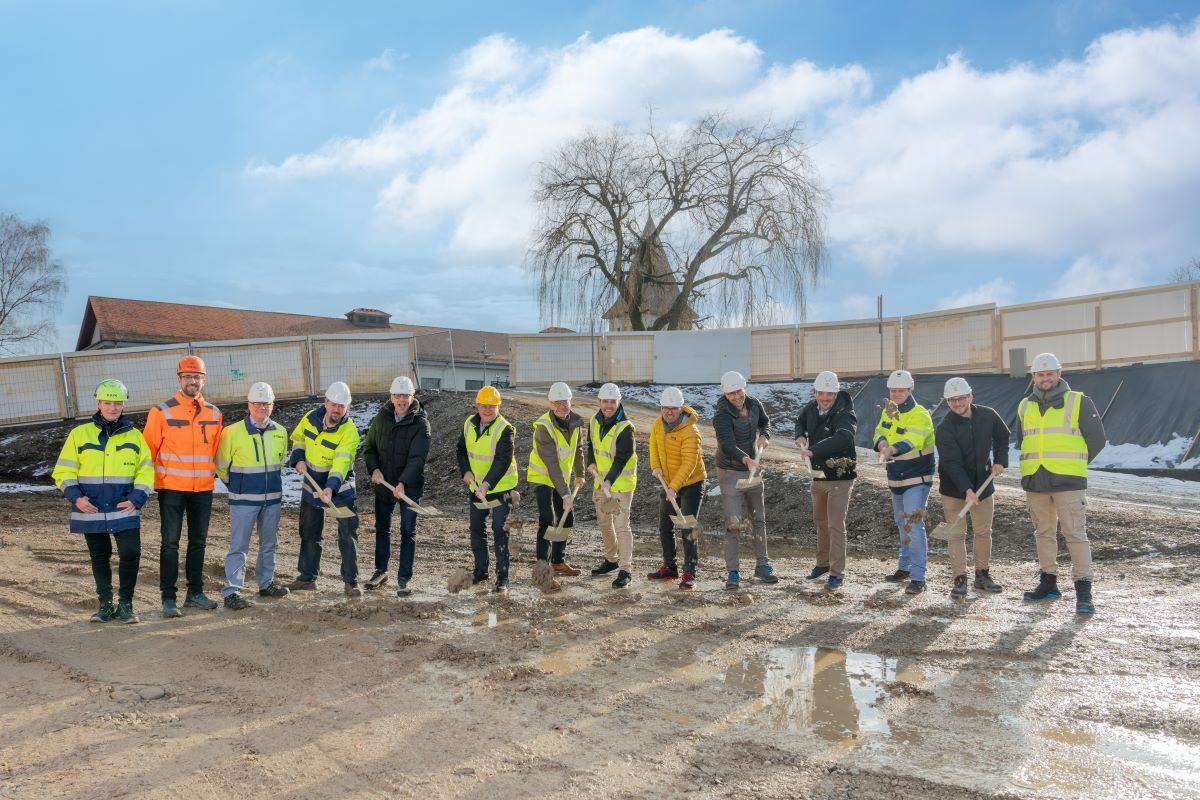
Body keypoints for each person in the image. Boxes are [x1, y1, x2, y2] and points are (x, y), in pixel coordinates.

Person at [52, 380, 154, 623]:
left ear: (123, 405)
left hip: (124, 507)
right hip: (91, 508)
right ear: (98, 403)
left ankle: (126, 605)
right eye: (107, 403)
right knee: (99, 555)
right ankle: (106, 605)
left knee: (131, 552)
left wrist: (137, 498)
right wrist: (76, 498)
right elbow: (62, 472)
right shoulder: (79, 434)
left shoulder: (135, 436)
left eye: (117, 403)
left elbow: (146, 471)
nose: (112, 407)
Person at [1016, 353, 1106, 614]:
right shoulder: (1024, 406)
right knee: (1043, 534)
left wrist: (1073, 466)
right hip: (1036, 480)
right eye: (1040, 374)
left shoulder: (1078, 401)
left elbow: (1097, 440)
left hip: (1068, 481)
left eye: (1050, 374)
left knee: (1075, 534)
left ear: (1059, 374)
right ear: (1034, 377)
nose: (1045, 379)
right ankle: (1048, 583)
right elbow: (1023, 440)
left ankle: (1084, 591)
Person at [143, 355, 223, 618]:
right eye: (187, 377)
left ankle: (195, 594)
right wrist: (146, 484)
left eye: (196, 377)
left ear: (203, 379)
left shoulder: (214, 413)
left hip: (202, 488)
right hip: (172, 488)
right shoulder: (161, 412)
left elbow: (215, 451)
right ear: (179, 379)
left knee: (198, 542)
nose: (192, 381)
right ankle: (168, 598)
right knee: (170, 543)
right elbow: (148, 452)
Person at [214, 382, 291, 610]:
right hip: (244, 501)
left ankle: (266, 583)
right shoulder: (232, 432)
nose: (261, 408)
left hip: (272, 500)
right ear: (249, 404)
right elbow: (221, 465)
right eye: (257, 403)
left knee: (269, 544)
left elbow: (280, 461)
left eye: (266, 404)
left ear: (272, 405)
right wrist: (236, 487)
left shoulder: (280, 432)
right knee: (239, 546)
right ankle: (232, 591)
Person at [935, 377, 1009, 598]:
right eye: (952, 400)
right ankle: (959, 578)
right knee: (956, 534)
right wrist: (966, 489)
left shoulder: (988, 415)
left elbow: (1003, 437)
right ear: (947, 401)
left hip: (983, 486)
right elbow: (951, 463)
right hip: (953, 489)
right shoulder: (944, 428)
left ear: (970, 396)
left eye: (961, 398)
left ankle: (982, 574)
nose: (957, 403)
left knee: (983, 532)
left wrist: (1000, 460)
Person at [289, 381, 362, 596]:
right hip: (312, 484)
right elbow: (298, 439)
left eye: (342, 406)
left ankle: (351, 581)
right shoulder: (310, 418)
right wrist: (298, 458)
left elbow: (341, 463)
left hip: (339, 488)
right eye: (334, 404)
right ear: (326, 403)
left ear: (347, 407)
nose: (338, 410)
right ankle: (307, 577)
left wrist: (331, 487)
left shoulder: (350, 432)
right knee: (310, 531)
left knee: (347, 534)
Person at [363, 376, 430, 597]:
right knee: (382, 528)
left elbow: (417, 459)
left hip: (409, 487)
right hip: (384, 486)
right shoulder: (381, 419)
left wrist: (403, 482)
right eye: (397, 396)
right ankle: (381, 571)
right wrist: (374, 469)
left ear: (413, 397)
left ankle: (404, 578)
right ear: (391, 397)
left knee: (407, 531)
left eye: (405, 396)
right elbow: (370, 448)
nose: (401, 400)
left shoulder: (420, 424)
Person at [794, 370, 857, 592]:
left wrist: (813, 450)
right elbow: (800, 421)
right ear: (815, 392)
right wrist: (800, 435)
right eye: (821, 393)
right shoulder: (811, 408)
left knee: (835, 524)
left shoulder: (845, 413)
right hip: (817, 476)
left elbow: (844, 437)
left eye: (829, 394)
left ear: (836, 393)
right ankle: (823, 564)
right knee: (820, 522)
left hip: (840, 477)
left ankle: (837, 572)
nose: (824, 398)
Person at [712, 370, 775, 590]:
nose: (736, 397)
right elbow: (727, 444)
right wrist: (746, 459)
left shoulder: (755, 404)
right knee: (734, 523)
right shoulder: (721, 415)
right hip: (731, 471)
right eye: (731, 394)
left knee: (758, 518)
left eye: (738, 391)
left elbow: (766, 423)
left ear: (744, 388)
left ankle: (762, 565)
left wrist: (764, 435)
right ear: (725, 394)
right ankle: (733, 571)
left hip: (753, 470)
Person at [874, 369, 935, 595]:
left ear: (910, 390)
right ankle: (905, 567)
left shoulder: (920, 414)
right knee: (902, 523)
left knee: (913, 523)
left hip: (917, 477)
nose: (897, 394)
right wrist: (881, 444)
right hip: (896, 476)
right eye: (893, 390)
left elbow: (914, 439)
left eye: (901, 390)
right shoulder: (889, 411)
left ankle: (918, 577)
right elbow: (879, 431)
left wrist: (892, 449)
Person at [456, 385, 517, 594]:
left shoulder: (505, 429)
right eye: (484, 406)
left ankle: (503, 578)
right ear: (477, 405)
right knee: (476, 529)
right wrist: (466, 471)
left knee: (500, 530)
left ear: (499, 406)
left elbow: (502, 460)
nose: (488, 410)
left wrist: (486, 484)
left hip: (501, 488)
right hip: (476, 487)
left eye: (492, 406)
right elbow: (461, 450)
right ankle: (481, 570)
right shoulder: (468, 424)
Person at [526, 381, 587, 592]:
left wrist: (580, 473)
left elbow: (578, 448)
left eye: (565, 401)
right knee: (548, 520)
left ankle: (558, 561)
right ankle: (542, 572)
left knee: (567, 518)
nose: (562, 406)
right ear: (550, 404)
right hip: (543, 478)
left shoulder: (576, 422)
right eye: (557, 402)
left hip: (563, 479)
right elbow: (551, 464)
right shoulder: (543, 427)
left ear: (571, 401)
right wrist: (565, 493)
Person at [647, 386, 706, 590]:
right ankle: (670, 567)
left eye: (673, 408)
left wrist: (674, 487)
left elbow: (689, 464)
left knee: (688, 527)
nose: (668, 412)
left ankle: (690, 571)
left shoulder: (691, 432)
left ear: (681, 408)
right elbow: (653, 445)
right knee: (665, 526)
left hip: (691, 484)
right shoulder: (657, 424)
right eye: (665, 408)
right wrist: (655, 466)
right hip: (669, 483)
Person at [587, 382, 638, 589]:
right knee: (605, 523)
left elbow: (622, 458)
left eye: (612, 402)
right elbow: (591, 444)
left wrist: (610, 479)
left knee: (621, 526)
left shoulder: (626, 428)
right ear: (599, 402)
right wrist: (590, 462)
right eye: (605, 401)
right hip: (600, 483)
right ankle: (611, 560)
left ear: (619, 402)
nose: (608, 405)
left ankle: (625, 569)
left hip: (621, 484)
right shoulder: (593, 420)